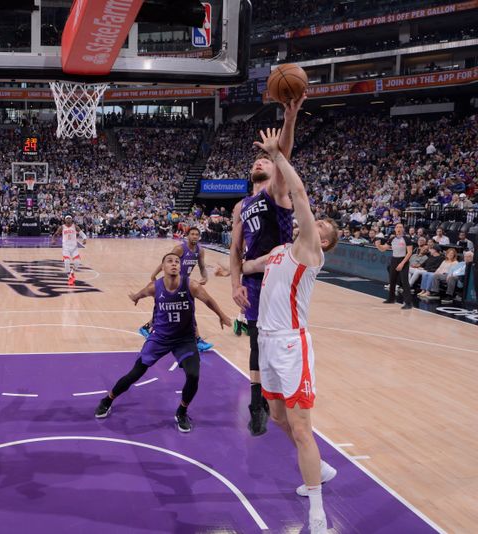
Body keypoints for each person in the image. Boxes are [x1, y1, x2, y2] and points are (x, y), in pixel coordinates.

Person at [243, 128, 340, 534]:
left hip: (291, 345)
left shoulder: (309, 253)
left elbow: (298, 196)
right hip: (266, 341)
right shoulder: (282, 250)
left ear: (326, 244)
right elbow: (249, 265)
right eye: (316, 222)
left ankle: (315, 509)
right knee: (279, 417)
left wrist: (277, 155)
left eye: (323, 227)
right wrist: (229, 274)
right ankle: (321, 466)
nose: (315, 223)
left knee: (301, 428)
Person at [230, 97, 304, 436]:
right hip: (255, 279)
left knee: (276, 342)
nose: (262, 161)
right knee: (256, 341)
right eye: (259, 159)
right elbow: (234, 249)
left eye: (267, 159)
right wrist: (235, 283)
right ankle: (256, 403)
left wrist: (289, 120)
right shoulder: (241, 205)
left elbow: (283, 155)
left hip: (280, 278)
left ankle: (286, 396)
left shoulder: (276, 192)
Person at [95, 252, 232, 432]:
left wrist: (221, 315)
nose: (174, 264)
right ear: (163, 267)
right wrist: (135, 297)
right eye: (170, 261)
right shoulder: (155, 287)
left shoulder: (191, 285)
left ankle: (181, 411)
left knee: (193, 375)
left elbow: (209, 301)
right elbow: (142, 293)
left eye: (177, 261)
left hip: (184, 338)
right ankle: (108, 399)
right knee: (135, 373)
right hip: (160, 337)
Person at [137, 227, 227, 351]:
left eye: (197, 234)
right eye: (192, 234)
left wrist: (205, 276)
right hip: (172, 282)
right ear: (187, 236)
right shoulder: (180, 249)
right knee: (184, 310)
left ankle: (146, 328)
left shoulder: (200, 251)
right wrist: (154, 274)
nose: (195, 236)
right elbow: (165, 261)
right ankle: (197, 340)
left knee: (176, 310)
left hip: (185, 284)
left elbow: (202, 266)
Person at [374, 223, 414, 309]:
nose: (399, 228)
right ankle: (391, 299)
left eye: (400, 227)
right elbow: (383, 249)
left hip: (403, 260)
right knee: (392, 280)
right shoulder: (392, 239)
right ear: (395, 229)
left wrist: (402, 263)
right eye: (397, 227)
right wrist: (378, 245)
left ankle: (408, 303)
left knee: (404, 282)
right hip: (394, 260)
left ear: (403, 229)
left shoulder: (406, 239)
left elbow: (410, 252)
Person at [51, 214, 87, 286]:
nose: (68, 220)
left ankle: (72, 272)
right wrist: (53, 240)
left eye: (69, 218)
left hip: (74, 247)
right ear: (64, 220)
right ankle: (69, 277)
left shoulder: (75, 226)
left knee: (77, 262)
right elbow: (55, 235)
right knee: (67, 262)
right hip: (66, 248)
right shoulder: (62, 227)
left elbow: (83, 234)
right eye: (67, 218)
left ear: (71, 219)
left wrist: (84, 239)